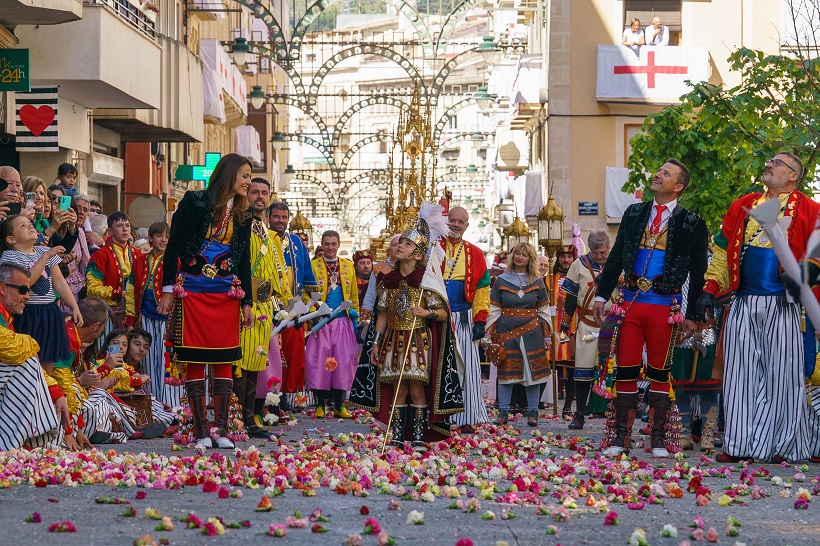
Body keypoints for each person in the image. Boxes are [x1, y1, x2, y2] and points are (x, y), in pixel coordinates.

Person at [697, 151, 820, 464]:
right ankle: (739, 444)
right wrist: (710, 288)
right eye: (770, 161)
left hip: (785, 305)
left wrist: (810, 269)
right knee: (739, 376)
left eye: (777, 163)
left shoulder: (811, 209)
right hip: (743, 302)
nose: (769, 164)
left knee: (783, 377)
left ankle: (784, 444)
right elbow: (723, 251)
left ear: (793, 175)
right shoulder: (743, 204)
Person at [594, 158, 708, 457]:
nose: (658, 175)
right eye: (658, 171)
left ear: (678, 186)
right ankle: (621, 439)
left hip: (664, 308)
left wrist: (694, 316)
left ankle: (658, 439)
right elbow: (617, 255)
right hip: (630, 305)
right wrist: (601, 295)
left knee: (660, 373)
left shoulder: (691, 222)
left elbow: (698, 273)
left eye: (665, 173)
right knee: (626, 370)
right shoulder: (634, 212)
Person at [158, 153, 254, 450]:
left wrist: (247, 301)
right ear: (228, 175)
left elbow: (243, 260)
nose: (248, 183)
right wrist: (168, 288)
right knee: (194, 358)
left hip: (226, 292)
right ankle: (201, 432)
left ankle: (222, 430)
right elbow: (174, 245)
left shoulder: (243, 213)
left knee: (224, 358)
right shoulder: (194, 200)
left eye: (250, 177)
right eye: (245, 176)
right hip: (193, 291)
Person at [351, 201, 463, 450]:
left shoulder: (426, 281)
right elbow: (381, 314)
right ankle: (397, 436)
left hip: (418, 343)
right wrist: (376, 344)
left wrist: (427, 312)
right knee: (397, 390)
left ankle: (420, 437)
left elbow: (444, 313)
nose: (401, 246)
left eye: (407, 244)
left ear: (419, 254)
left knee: (417, 390)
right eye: (400, 242)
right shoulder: (388, 281)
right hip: (393, 342)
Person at [236, 178, 290, 438]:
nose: (259, 196)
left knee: (257, 360)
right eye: (254, 191)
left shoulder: (270, 235)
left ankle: (250, 415)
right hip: (243, 302)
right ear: (246, 195)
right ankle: (237, 416)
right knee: (241, 362)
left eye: (264, 193)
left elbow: (278, 274)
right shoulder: (238, 227)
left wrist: (284, 304)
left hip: (265, 305)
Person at [0, 215, 83, 373]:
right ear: (10, 239)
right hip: (27, 313)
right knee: (29, 362)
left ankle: (47, 392)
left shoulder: (44, 250)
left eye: (30, 223)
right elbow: (26, 282)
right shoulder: (10, 256)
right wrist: (45, 257)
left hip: (49, 312)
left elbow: (59, 282)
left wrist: (74, 306)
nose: (30, 226)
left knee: (48, 360)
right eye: (23, 226)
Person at [486, 242, 552, 427]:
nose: (520, 257)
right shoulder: (501, 280)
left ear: (530, 258)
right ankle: (503, 412)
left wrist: (547, 336)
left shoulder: (537, 281)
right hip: (506, 332)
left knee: (533, 375)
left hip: (533, 333)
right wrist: (489, 335)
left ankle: (533, 413)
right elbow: (494, 309)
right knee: (506, 373)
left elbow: (544, 310)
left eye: (524, 255)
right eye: (517, 253)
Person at [0, 263, 62, 451]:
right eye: (23, 289)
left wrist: (57, 391)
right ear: (2, 289)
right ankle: (12, 448)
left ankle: (34, 442)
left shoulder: (6, 315)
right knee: (26, 365)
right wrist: (32, 345)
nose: (28, 296)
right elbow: (9, 347)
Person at [442, 206, 490, 431]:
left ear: (467, 226)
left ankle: (468, 417)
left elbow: (482, 289)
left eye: (461, 222)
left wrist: (480, 320)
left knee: (468, 369)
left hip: (464, 318)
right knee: (439, 367)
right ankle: (440, 417)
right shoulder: (433, 248)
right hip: (437, 317)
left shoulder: (476, 253)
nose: (456, 225)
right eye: (452, 220)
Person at [561, 231, 615, 430]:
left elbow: (628, 289)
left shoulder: (618, 262)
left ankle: (615, 417)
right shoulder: (579, 264)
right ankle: (579, 415)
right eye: (596, 252)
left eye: (603, 252)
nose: (600, 256)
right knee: (583, 370)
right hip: (587, 325)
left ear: (609, 248)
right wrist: (565, 325)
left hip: (613, 325)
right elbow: (570, 298)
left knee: (613, 370)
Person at [124, 221, 180, 407]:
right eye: (159, 236)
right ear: (150, 238)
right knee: (148, 360)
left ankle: (173, 405)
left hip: (169, 319)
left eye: (167, 236)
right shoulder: (140, 260)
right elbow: (131, 293)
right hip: (146, 317)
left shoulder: (175, 260)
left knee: (167, 359)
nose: (163, 240)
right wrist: (130, 319)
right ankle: (153, 404)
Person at [268, 201, 319, 407]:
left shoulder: (297, 242)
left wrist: (316, 305)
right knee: (270, 355)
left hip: (294, 306)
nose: (280, 221)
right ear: (268, 218)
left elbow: (308, 276)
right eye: (276, 217)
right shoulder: (263, 239)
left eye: (283, 217)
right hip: (269, 306)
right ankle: (269, 397)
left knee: (294, 355)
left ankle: (289, 398)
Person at [306, 230, 359, 418]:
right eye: (327, 244)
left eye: (333, 244)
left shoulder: (347, 266)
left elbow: (353, 295)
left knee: (343, 363)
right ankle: (320, 404)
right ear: (322, 244)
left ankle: (339, 405)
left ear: (338, 245)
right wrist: (313, 314)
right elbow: (307, 293)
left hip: (342, 321)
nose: (330, 247)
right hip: (322, 322)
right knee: (319, 362)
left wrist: (356, 318)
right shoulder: (313, 266)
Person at [86, 211, 135, 345]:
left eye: (127, 225)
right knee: (108, 353)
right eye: (119, 225)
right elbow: (92, 289)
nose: (125, 229)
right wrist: (121, 294)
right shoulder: (100, 255)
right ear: (110, 231)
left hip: (133, 316)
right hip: (109, 315)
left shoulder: (137, 254)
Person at [550, 245, 577, 419]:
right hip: (553, 326)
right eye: (563, 257)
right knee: (548, 367)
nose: (566, 260)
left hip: (573, 326)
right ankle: (539, 405)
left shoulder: (578, 278)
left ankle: (567, 408)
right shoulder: (548, 280)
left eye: (569, 257)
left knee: (573, 369)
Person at [63, 195, 92, 306]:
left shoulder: (80, 232)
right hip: (62, 290)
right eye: (78, 208)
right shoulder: (58, 229)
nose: (81, 212)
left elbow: (86, 263)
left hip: (78, 290)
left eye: (85, 210)